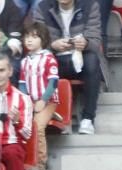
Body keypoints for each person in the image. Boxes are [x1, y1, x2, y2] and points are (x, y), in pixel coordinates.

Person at [32, 0, 102, 135]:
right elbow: (37, 42)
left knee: (92, 60)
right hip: (56, 58)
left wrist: (86, 43)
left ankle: (88, 117)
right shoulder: (43, 7)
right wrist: (52, 46)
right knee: (43, 63)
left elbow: (96, 40)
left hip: (82, 58)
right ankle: (54, 116)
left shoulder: (89, 5)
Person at [19, 21, 59, 170]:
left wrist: (43, 100)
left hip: (47, 101)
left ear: (43, 39)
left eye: (34, 37)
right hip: (31, 102)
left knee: (37, 126)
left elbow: (53, 81)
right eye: (27, 37)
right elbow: (22, 83)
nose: (29, 40)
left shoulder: (49, 58)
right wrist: (26, 100)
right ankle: (28, 160)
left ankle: (41, 163)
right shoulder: (24, 61)